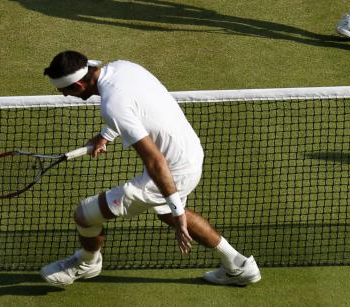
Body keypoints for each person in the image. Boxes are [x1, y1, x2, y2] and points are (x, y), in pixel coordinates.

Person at [39, 50, 260, 287]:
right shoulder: (124, 67)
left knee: (84, 215)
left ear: (79, 84)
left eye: (64, 90)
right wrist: (105, 135)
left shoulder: (113, 105)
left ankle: (87, 263)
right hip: (190, 151)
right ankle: (237, 265)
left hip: (171, 168)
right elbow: (138, 108)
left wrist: (178, 214)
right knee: (167, 213)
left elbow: (155, 162)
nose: (63, 95)